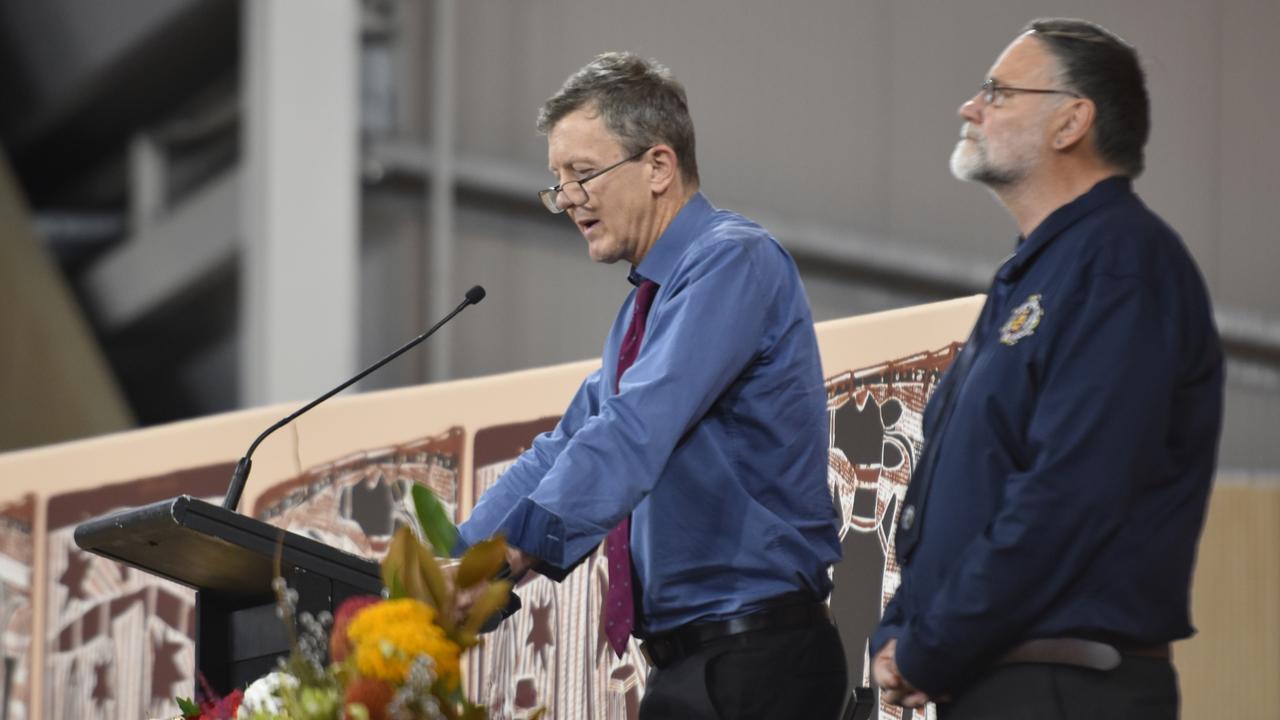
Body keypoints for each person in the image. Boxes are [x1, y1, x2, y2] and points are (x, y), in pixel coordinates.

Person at [456, 52, 847, 719]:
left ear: (659, 166)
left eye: (584, 174)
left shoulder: (733, 260)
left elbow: (639, 425)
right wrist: (454, 562)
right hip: (691, 665)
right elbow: (562, 447)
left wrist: (509, 552)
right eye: (558, 182)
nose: (569, 198)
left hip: (756, 658)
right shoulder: (645, 310)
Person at [871, 18, 1223, 719]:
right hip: (993, 680)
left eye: (997, 92)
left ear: (1071, 122)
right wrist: (904, 632)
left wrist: (927, 646)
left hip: (1065, 688)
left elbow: (1069, 493)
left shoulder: (1122, 263)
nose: (970, 108)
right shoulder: (1032, 275)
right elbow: (953, 496)